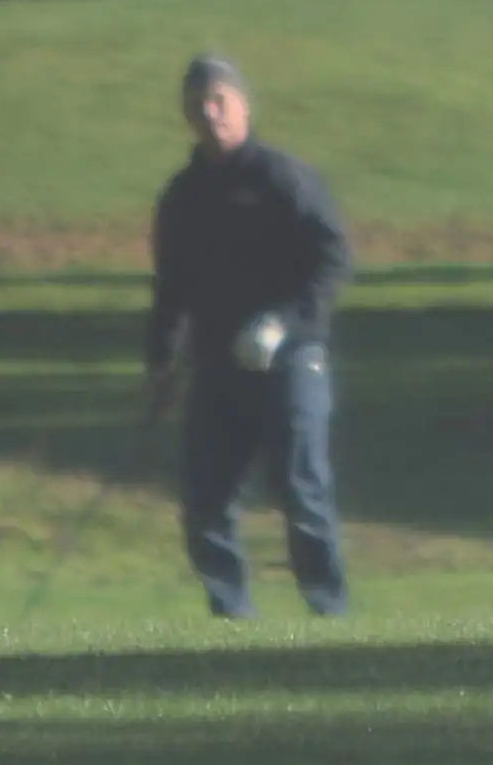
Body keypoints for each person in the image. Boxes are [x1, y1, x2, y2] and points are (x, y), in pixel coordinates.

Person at [145, 49, 352, 620]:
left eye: (219, 101)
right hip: (217, 366)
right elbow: (171, 290)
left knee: (300, 487)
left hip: (292, 360)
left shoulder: (284, 180)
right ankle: (231, 615)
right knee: (206, 500)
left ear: (242, 105)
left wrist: (284, 322)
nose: (211, 114)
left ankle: (326, 608)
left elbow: (332, 260)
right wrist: (162, 363)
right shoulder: (183, 197)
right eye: (198, 105)